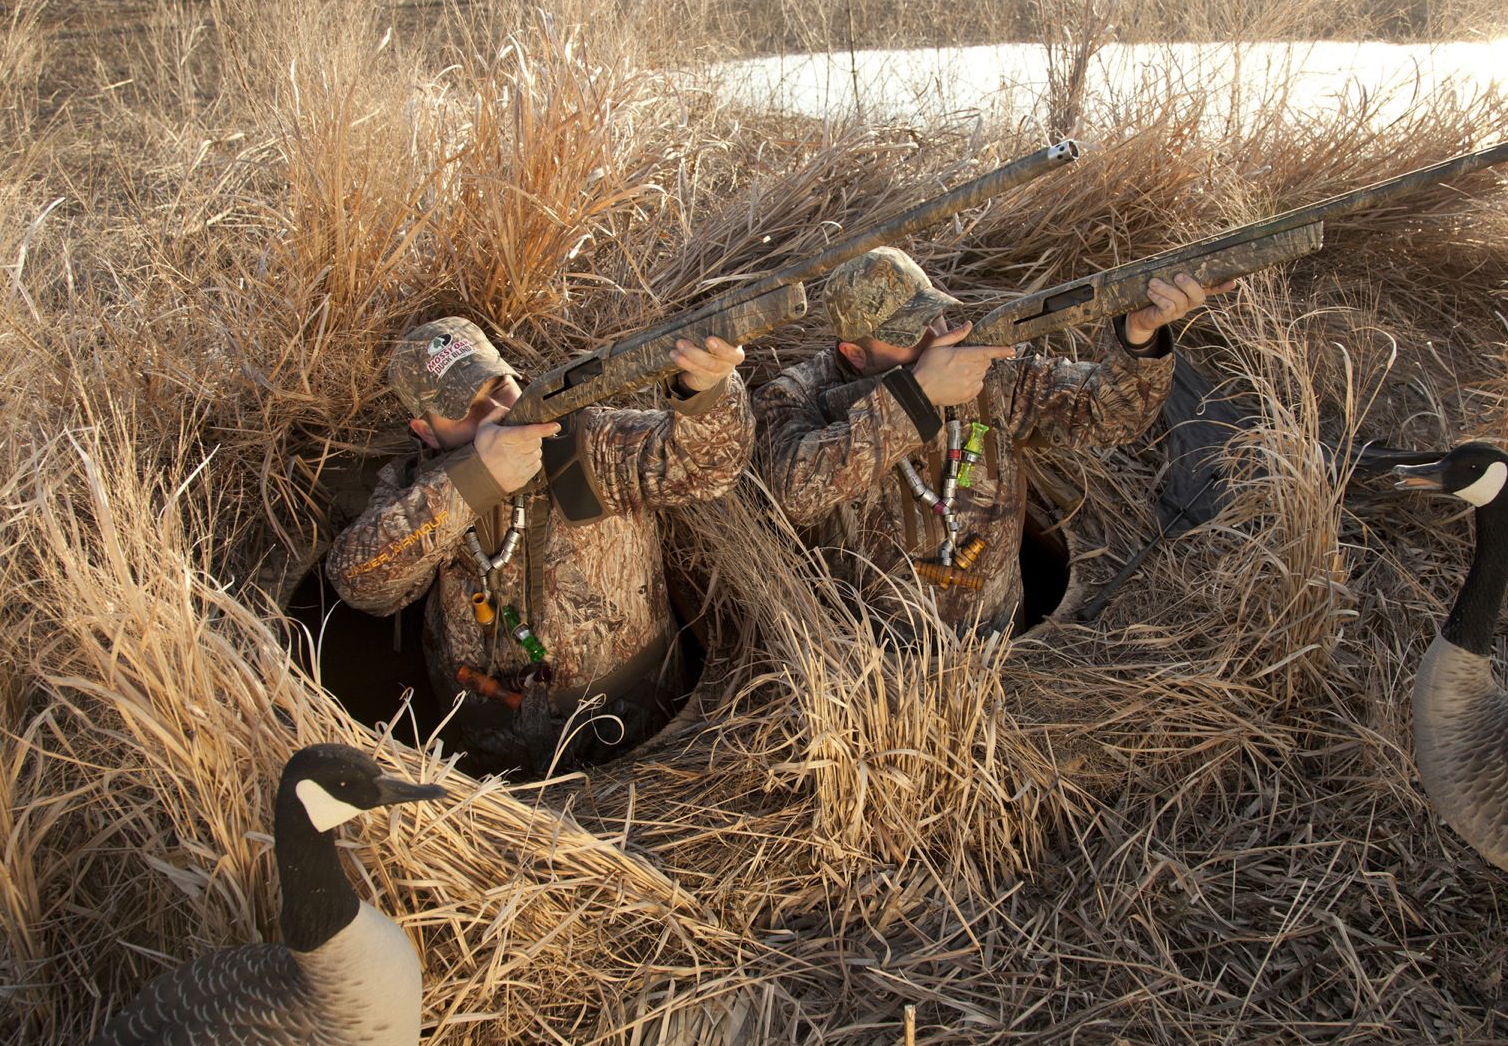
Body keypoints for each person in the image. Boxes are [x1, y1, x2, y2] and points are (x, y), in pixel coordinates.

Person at [327, 316, 750, 774]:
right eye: (462, 409)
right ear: (426, 431)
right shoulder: (412, 488)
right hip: (490, 757)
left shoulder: (585, 441)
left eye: (498, 387)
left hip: (636, 734)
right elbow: (360, 584)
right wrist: (475, 480)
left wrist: (705, 390)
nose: (494, 412)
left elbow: (708, 466)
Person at [752, 246, 1230, 637]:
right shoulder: (794, 396)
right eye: (908, 334)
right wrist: (915, 398)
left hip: (1003, 650)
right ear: (854, 354)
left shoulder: (988, 370)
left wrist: (1140, 335)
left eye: (935, 317)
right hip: (869, 667)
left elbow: (1111, 415)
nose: (935, 338)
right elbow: (793, 492)